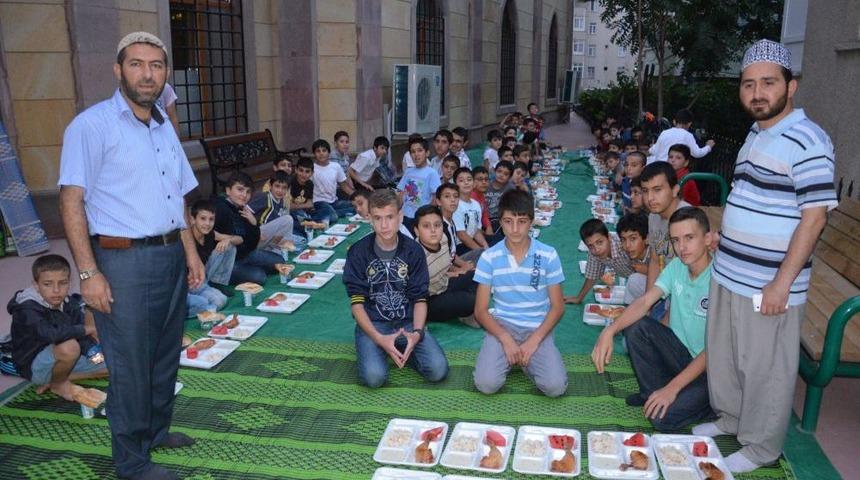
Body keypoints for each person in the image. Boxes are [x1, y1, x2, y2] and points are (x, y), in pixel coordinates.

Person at [58, 32, 204, 479]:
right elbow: (70, 201)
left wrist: (191, 254)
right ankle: (132, 463)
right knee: (129, 365)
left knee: (163, 355)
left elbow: (175, 196)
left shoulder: (163, 126)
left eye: (157, 66)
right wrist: (89, 272)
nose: (148, 74)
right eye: (137, 64)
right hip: (122, 262)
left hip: (168, 258)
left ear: (165, 76)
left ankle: (156, 431)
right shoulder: (91, 125)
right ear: (118, 70)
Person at [694, 39, 838, 474]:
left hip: (769, 284)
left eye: (768, 83)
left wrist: (780, 283)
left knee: (766, 370)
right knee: (728, 358)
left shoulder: (809, 139)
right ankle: (733, 420)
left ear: (790, 87)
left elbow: (813, 219)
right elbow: (752, 198)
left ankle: (760, 448)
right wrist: (725, 236)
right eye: (749, 84)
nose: (758, 93)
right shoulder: (756, 134)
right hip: (731, 272)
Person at [592, 207, 715, 431]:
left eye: (689, 238)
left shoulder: (719, 279)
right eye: (676, 240)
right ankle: (651, 392)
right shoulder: (677, 266)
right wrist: (609, 330)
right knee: (636, 326)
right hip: (680, 353)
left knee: (660, 419)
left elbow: (715, 350)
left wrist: (673, 389)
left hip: (709, 370)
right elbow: (645, 301)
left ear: (707, 239)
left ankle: (709, 407)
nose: (682, 247)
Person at [342, 189, 449, 388]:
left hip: (408, 322)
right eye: (378, 218)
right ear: (369, 219)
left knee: (438, 370)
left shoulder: (413, 250)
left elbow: (420, 298)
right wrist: (378, 338)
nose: (384, 225)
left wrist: (416, 333)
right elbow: (357, 304)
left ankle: (401, 349)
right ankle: (380, 346)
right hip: (374, 324)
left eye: (390, 217)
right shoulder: (357, 252)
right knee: (374, 378)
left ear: (400, 217)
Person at [473, 189, 567, 398]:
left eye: (522, 221)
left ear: (531, 221)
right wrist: (505, 339)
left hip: (537, 327)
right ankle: (513, 354)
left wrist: (535, 341)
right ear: (500, 221)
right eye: (508, 221)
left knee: (555, 387)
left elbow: (558, 306)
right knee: (486, 384)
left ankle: (525, 358)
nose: (515, 229)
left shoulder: (548, 254)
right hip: (502, 326)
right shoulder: (489, 257)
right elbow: (480, 311)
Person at [8, 255, 108, 400]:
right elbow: (51, 335)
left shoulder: (68, 302)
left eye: (62, 283)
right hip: (35, 365)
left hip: (63, 362)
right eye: (48, 284)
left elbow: (80, 333)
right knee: (70, 346)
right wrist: (87, 329)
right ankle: (58, 384)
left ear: (69, 282)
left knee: (115, 364)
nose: (56, 290)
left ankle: (56, 380)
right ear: (36, 285)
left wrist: (94, 353)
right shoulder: (26, 308)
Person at [413, 205, 479, 327]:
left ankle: (465, 308)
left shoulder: (443, 238)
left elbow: (443, 265)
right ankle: (467, 308)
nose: (433, 230)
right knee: (471, 300)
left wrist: (455, 273)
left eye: (437, 225)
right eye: (426, 226)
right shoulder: (415, 255)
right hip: (429, 301)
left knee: (478, 275)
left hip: (444, 283)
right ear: (417, 230)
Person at [214, 172, 282, 285]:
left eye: (248, 192)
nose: (244, 195)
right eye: (240, 190)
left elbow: (252, 244)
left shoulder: (242, 209)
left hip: (244, 254)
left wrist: (253, 223)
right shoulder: (219, 207)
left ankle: (247, 268)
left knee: (280, 262)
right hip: (226, 261)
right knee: (260, 276)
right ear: (228, 191)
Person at [564, 219, 634, 304]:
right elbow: (592, 276)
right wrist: (579, 298)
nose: (596, 249)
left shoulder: (624, 245)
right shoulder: (594, 253)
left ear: (609, 237)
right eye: (590, 246)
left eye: (600, 242)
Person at [186, 200, 234, 316]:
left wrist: (228, 240)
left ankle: (216, 288)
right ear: (192, 219)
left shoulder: (210, 234)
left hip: (201, 282)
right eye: (203, 218)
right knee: (201, 303)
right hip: (186, 286)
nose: (207, 223)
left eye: (211, 219)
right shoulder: (185, 239)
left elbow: (239, 239)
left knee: (221, 300)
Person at [249, 171, 307, 252]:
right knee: (288, 219)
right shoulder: (264, 197)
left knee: (301, 241)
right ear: (270, 185)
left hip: (268, 238)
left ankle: (278, 249)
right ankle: (283, 247)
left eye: (284, 188)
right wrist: (256, 230)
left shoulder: (281, 201)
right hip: (256, 236)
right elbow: (244, 211)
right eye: (277, 186)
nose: (280, 190)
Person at [398, 137, 442, 228]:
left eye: (419, 150)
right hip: (404, 216)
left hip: (420, 218)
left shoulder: (432, 173)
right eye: (413, 152)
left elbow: (435, 199)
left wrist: (424, 216)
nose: (416, 154)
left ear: (427, 153)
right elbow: (401, 194)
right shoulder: (408, 171)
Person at [648, 108, 715, 164]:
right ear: (689, 124)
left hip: (658, 167)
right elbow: (697, 153)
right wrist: (708, 147)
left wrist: (652, 146)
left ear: (674, 121)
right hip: (672, 170)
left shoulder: (664, 133)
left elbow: (653, 151)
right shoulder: (687, 135)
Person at [311, 139, 355, 223]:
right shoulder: (311, 168)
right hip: (319, 202)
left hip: (334, 201)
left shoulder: (336, 166)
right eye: (318, 151)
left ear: (329, 153)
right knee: (332, 217)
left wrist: (357, 196)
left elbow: (344, 186)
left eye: (324, 150)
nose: (321, 153)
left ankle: (331, 212)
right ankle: (314, 215)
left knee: (356, 206)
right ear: (314, 154)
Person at [452, 168, 489, 258]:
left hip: (471, 241)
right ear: (455, 184)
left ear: (474, 183)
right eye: (461, 180)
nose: (466, 183)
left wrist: (486, 247)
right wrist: (480, 251)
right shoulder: (455, 204)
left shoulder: (476, 204)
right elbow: (461, 235)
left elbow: (476, 231)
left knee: (497, 243)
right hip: (459, 246)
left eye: (469, 179)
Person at [617, 213, 651, 304]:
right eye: (623, 240)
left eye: (633, 239)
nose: (627, 245)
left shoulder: (657, 254)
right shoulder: (630, 255)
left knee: (634, 279)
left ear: (647, 238)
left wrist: (648, 271)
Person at [487, 161, 514, 232]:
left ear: (510, 177)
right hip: (485, 218)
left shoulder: (510, 188)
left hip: (500, 219)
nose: (501, 175)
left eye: (506, 174)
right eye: (499, 171)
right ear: (494, 171)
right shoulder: (486, 185)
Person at [289, 157, 316, 227]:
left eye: (307, 171)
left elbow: (310, 203)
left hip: (305, 211)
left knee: (329, 213)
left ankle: (309, 221)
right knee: (300, 215)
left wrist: (307, 206)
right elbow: (288, 206)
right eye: (301, 170)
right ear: (296, 170)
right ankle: (310, 222)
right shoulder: (290, 182)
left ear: (312, 173)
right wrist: (304, 205)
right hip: (290, 213)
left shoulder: (310, 184)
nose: (304, 174)